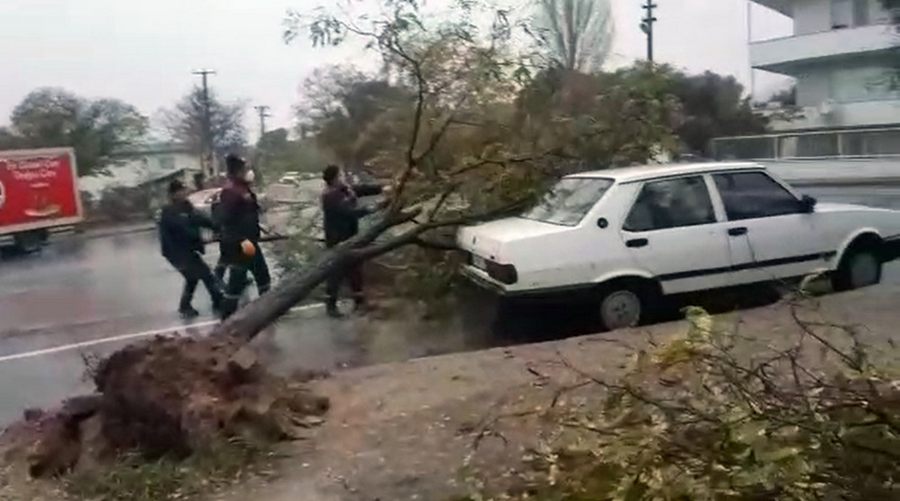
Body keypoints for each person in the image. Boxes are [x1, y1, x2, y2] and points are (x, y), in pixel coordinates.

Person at [321, 165, 387, 318]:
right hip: (337, 239)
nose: (343, 177)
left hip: (350, 235)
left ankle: (360, 302)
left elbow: (362, 189)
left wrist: (384, 187)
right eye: (341, 175)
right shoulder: (329, 196)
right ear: (334, 179)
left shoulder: (345, 189)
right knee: (336, 272)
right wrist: (374, 207)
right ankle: (331, 305)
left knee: (355, 269)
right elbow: (350, 213)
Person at [158, 179, 223, 319]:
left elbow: (199, 219)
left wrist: (216, 226)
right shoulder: (169, 211)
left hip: (187, 250)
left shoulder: (186, 206)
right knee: (202, 275)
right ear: (173, 194)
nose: (184, 193)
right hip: (176, 252)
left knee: (196, 277)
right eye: (181, 191)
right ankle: (215, 301)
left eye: (184, 191)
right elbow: (183, 229)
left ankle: (189, 305)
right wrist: (200, 239)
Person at [218, 154, 271, 319]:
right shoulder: (231, 191)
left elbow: (249, 211)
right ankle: (226, 316)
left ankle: (267, 308)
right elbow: (227, 218)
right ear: (237, 170)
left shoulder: (242, 188)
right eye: (245, 168)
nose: (248, 172)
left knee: (260, 274)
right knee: (239, 277)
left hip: (248, 240)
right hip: (242, 242)